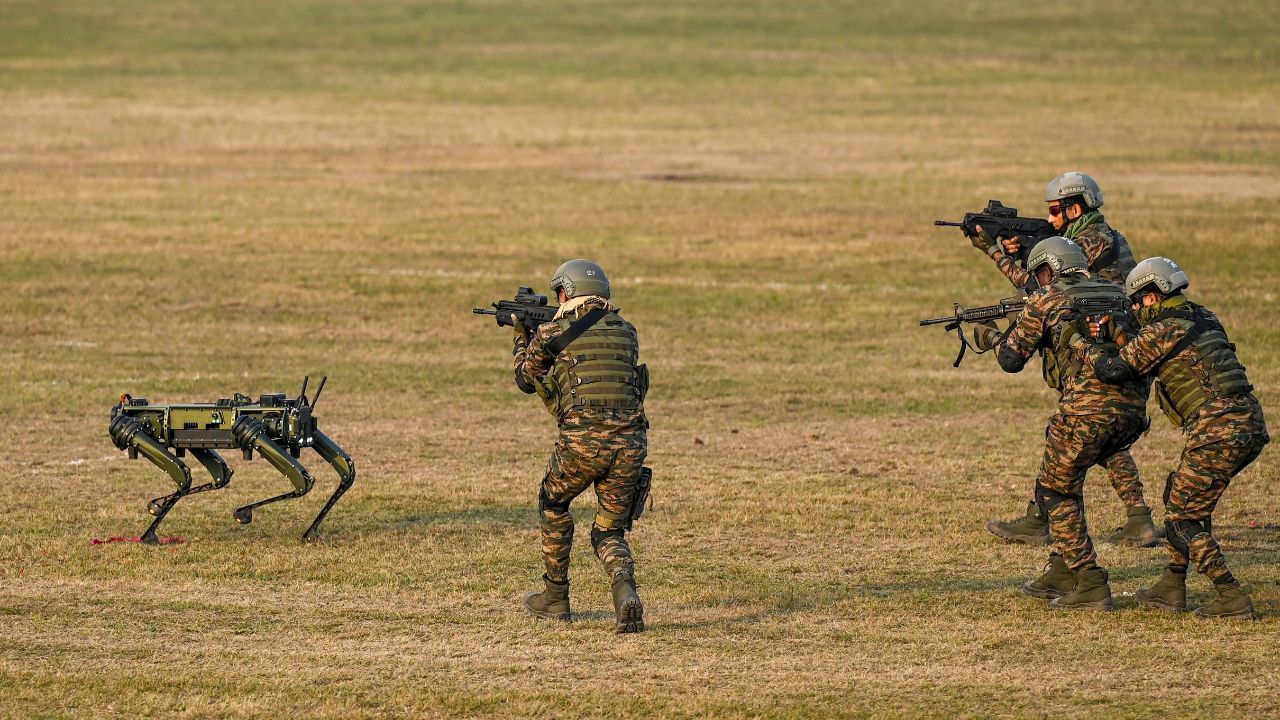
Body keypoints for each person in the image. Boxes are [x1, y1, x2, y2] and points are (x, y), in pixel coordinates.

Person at [1070, 257, 1268, 618]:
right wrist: (1122, 333)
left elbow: (1116, 369)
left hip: (1217, 430)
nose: (1137, 309)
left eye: (1138, 301)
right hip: (1247, 423)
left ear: (1151, 297)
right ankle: (1172, 584)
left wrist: (1085, 345)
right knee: (1182, 497)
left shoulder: (1162, 330)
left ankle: (1231, 595)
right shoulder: (1201, 315)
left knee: (1181, 519)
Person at [973, 172, 1158, 547]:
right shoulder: (1092, 236)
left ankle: (1044, 519)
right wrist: (1022, 250)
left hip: (1100, 338)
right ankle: (1138, 520)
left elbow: (1037, 287)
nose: (1053, 219)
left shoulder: (1093, 240)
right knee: (1104, 433)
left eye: (1057, 211)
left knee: (1076, 426)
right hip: (1106, 337)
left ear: (1075, 207)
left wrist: (994, 252)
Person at [971, 237, 1149, 610]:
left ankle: (1088, 580)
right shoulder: (1120, 291)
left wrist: (988, 335)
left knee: (1055, 492)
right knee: (1069, 476)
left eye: (1039, 274)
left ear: (1049, 268)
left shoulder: (1047, 298)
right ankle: (1060, 568)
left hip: (1086, 412)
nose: (1038, 281)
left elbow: (1010, 359)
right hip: (1133, 413)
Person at [512, 259, 650, 633]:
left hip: (582, 443)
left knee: (554, 504)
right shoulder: (628, 331)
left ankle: (555, 596)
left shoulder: (554, 330)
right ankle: (624, 589)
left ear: (566, 293)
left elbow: (526, 378)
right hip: (631, 447)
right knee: (608, 530)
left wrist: (521, 337)